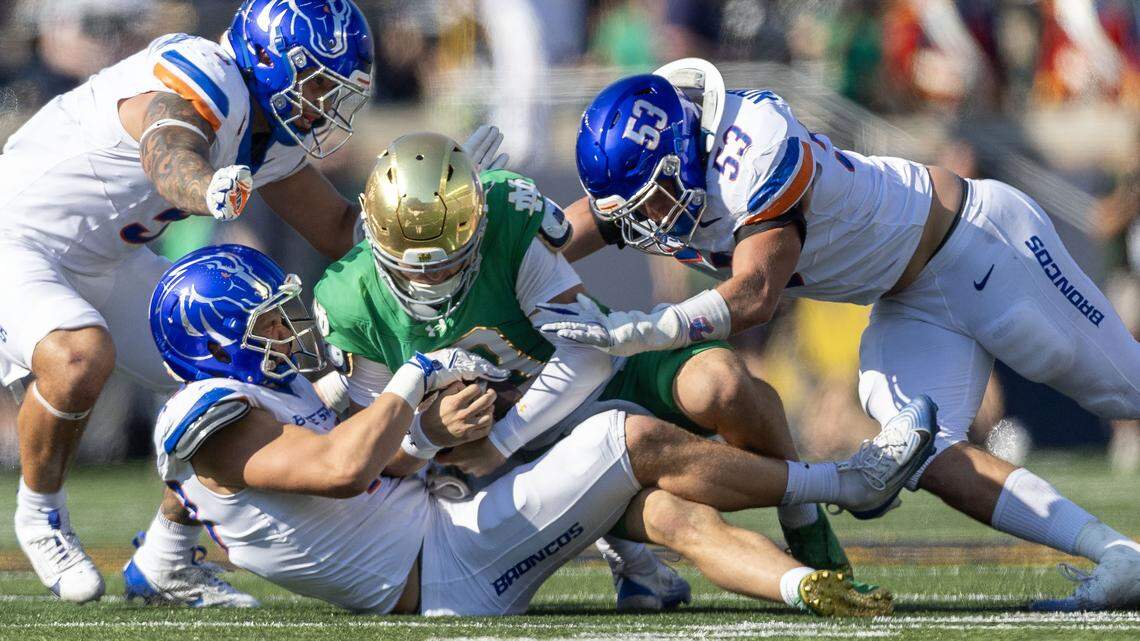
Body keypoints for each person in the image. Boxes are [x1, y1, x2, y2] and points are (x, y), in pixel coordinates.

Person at [547, 60, 1140, 610]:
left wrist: (652, 327)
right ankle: (1120, 558)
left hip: (980, 247)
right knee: (923, 453)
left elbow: (755, 294)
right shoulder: (661, 177)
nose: (647, 223)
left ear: (685, 151)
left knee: (1127, 392)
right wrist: (475, 251)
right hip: (909, 299)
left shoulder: (752, 142)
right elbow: (547, 239)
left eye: (654, 202)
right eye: (636, 210)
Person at [144, 243, 936, 616]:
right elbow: (342, 469)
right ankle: (845, 480)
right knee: (620, 436)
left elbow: (363, 473)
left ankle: (806, 588)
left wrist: (422, 434)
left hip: (448, 534)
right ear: (213, 342)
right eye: (268, 321)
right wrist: (418, 371)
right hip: (441, 563)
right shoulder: (203, 419)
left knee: (655, 508)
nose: (288, 329)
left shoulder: (258, 410)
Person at [311, 132, 917, 608]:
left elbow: (587, 354)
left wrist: (502, 436)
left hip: (581, 385)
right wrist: (431, 432)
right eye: (414, 268)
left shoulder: (505, 213)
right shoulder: (348, 300)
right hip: (513, 454)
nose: (430, 279)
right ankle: (696, 564)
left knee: (726, 385)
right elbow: (380, 458)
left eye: (449, 262)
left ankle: (805, 517)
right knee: (668, 513)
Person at [0, 0, 388, 605]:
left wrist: (440, 213)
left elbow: (339, 229)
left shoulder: (269, 134)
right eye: (315, 83)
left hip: (109, 260)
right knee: (79, 356)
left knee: (252, 372)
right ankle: (40, 512)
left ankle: (166, 558)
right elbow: (167, 147)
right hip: (17, 237)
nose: (325, 104)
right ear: (269, 59)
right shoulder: (206, 71)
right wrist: (203, 187)